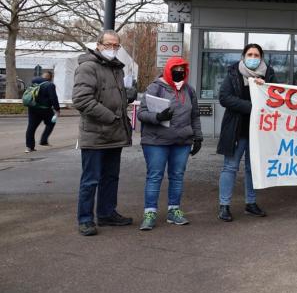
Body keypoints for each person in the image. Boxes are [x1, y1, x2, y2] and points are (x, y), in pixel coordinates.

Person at [72, 30, 137, 237]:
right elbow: (82, 100)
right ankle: (85, 219)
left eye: (115, 45)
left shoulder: (116, 68)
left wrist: (127, 95)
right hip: (95, 134)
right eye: (108, 44)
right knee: (91, 179)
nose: (112, 48)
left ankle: (107, 213)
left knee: (111, 177)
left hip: (115, 133)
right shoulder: (88, 67)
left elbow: (112, 96)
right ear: (98, 45)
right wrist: (110, 117)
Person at [136, 56, 203, 231]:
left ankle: (174, 210)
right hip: (156, 141)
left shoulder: (189, 90)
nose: (179, 72)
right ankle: (150, 212)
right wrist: (157, 117)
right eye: (176, 69)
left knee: (177, 176)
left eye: (182, 69)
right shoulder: (155, 87)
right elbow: (141, 113)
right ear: (168, 69)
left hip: (182, 141)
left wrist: (198, 137)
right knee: (155, 176)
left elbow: (194, 115)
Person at [217, 43, 276, 222]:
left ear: (261, 58)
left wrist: (265, 87)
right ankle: (224, 206)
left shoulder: (269, 74)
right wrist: (252, 107)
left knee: (253, 169)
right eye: (249, 54)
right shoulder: (233, 72)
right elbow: (224, 97)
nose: (253, 58)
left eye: (256, 55)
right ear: (243, 57)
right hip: (236, 130)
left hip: (258, 131)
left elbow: (276, 97)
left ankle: (251, 203)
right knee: (230, 167)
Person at [24, 70, 60, 153]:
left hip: (32, 108)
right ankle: (43, 140)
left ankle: (29, 147)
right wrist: (57, 109)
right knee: (51, 123)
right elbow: (53, 98)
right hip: (45, 109)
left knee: (31, 128)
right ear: (50, 78)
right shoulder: (50, 85)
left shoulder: (33, 82)